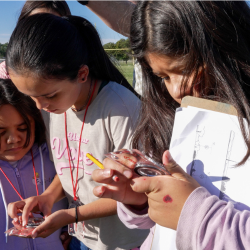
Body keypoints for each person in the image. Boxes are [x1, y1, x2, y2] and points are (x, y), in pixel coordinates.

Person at [91, 1, 250, 249]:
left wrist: (195, 215)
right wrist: (142, 197)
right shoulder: (174, 117)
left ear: (226, 46)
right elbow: (163, 228)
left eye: (185, 69)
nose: (176, 90)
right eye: (163, 77)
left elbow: (191, 216)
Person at [6, 13, 148, 250]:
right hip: (81, 237)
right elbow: (71, 169)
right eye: (31, 97)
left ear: (82, 74)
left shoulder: (120, 109)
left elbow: (135, 191)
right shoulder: (55, 107)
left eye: (49, 95)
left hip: (121, 243)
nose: (40, 107)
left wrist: (71, 216)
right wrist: (47, 198)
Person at [0, 79, 67, 250]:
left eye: (22, 128)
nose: (13, 139)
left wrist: (73, 230)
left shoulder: (55, 155)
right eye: (1, 132)